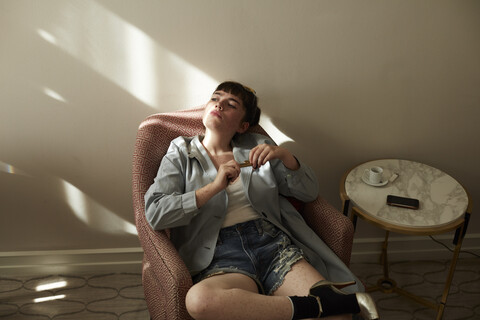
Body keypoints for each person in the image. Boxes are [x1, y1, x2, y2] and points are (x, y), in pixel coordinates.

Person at [145, 81, 379, 320]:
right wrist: (214, 187)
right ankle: (315, 306)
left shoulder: (258, 147)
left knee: (339, 317)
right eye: (216, 98)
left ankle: (317, 307)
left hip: (273, 244)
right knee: (199, 301)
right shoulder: (181, 152)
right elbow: (155, 213)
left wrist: (286, 158)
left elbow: (309, 192)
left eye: (231, 103)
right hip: (218, 255)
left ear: (243, 125)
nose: (219, 104)